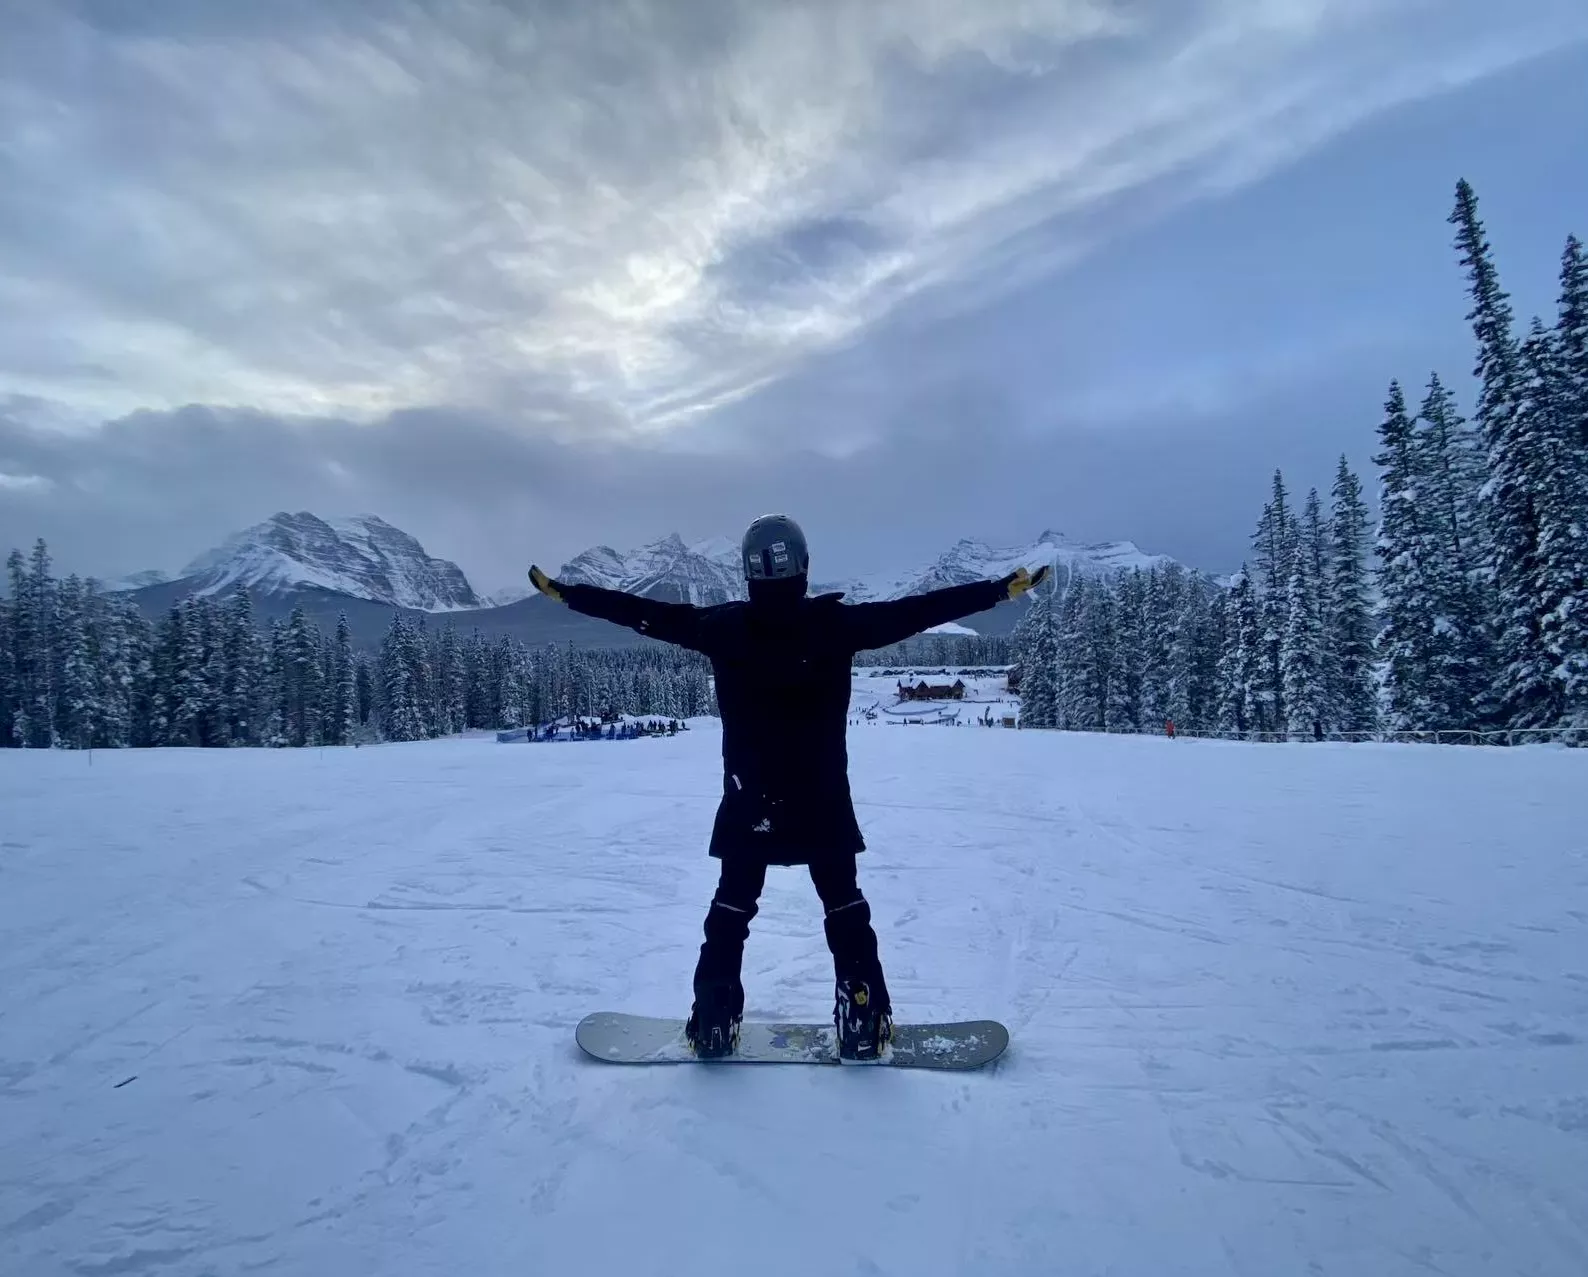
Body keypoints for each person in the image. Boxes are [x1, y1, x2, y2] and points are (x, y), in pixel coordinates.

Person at [527, 514, 1048, 1059]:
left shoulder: (719, 627)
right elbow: (918, 611)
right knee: (844, 906)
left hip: (750, 797)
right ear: (803, 567)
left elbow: (639, 613)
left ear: (748, 572)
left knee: (730, 909)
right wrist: (994, 592)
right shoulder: (836, 626)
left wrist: (569, 595)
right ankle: (863, 1019)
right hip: (820, 797)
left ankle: (713, 1017)